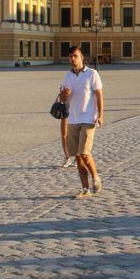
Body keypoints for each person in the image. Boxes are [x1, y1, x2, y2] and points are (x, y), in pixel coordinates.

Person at [60, 45, 104, 198]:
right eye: (70, 56)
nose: (72, 59)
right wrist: (64, 95)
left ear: (82, 58)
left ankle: (96, 178)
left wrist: (100, 115)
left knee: (84, 153)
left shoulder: (92, 74)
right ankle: (85, 188)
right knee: (78, 156)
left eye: (75, 56)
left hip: (88, 118)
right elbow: (62, 99)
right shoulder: (67, 76)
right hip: (73, 118)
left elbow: (99, 95)